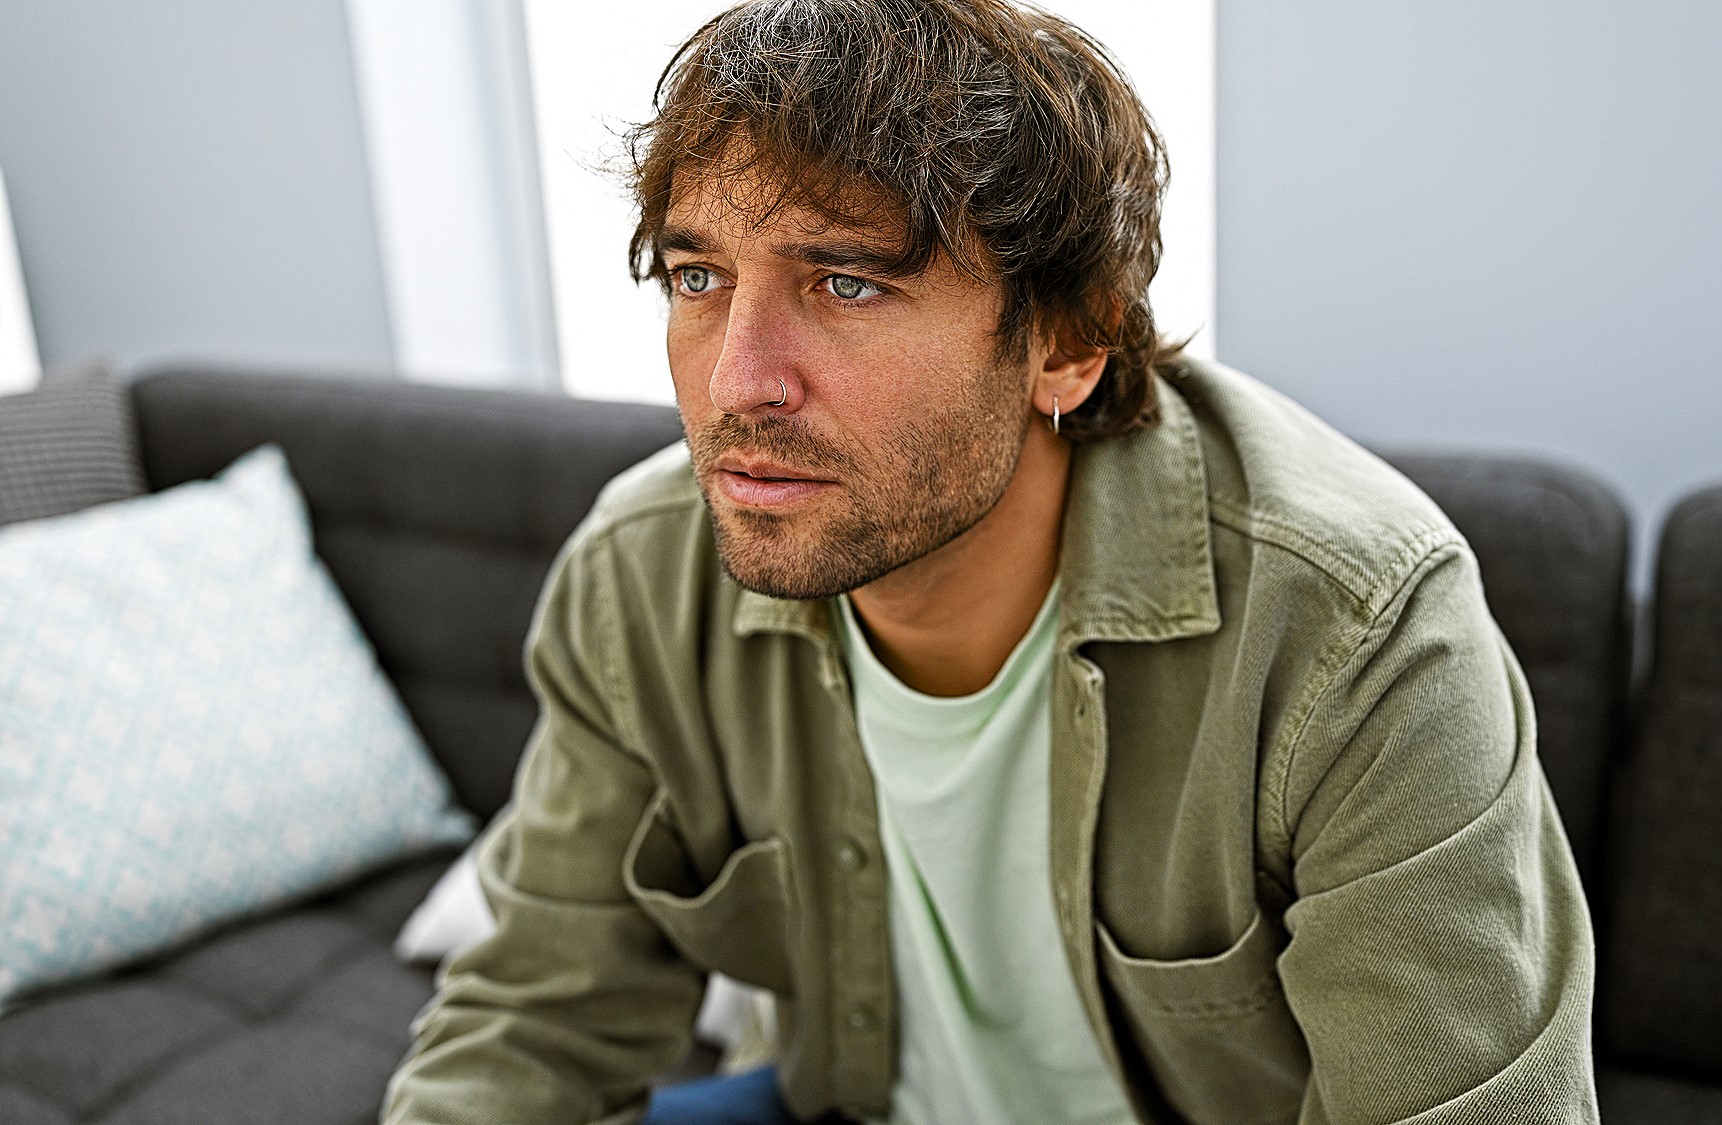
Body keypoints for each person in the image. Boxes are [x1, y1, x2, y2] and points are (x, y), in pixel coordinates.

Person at [382, 1, 1598, 1122]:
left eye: (846, 282)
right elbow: (533, 1023)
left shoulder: (1353, 633)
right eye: (699, 276)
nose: (734, 381)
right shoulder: (639, 579)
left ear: (1066, 345)